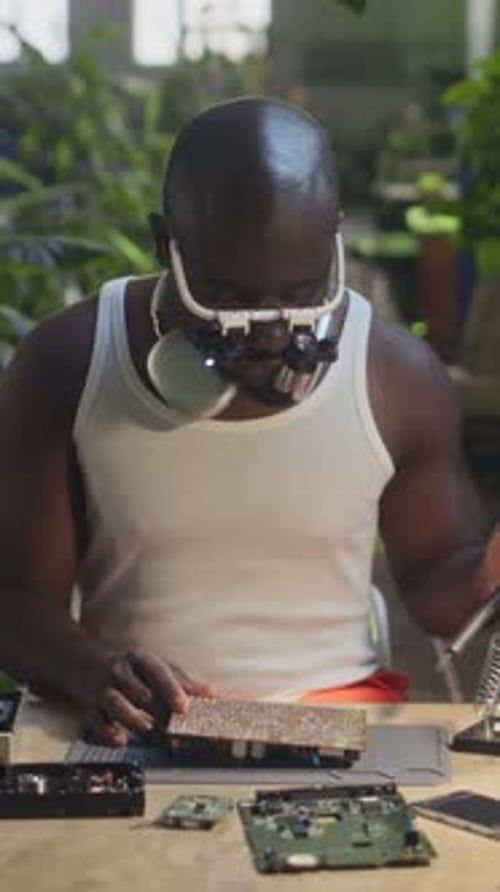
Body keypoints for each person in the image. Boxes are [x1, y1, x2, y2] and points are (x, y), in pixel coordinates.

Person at [0, 96, 495, 746]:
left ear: (333, 239)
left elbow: (438, 582)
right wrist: (90, 670)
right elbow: (16, 601)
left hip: (333, 731)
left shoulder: (396, 376)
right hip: (138, 729)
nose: (267, 333)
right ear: (166, 243)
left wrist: (485, 576)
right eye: (228, 297)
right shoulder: (69, 361)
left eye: (300, 295)